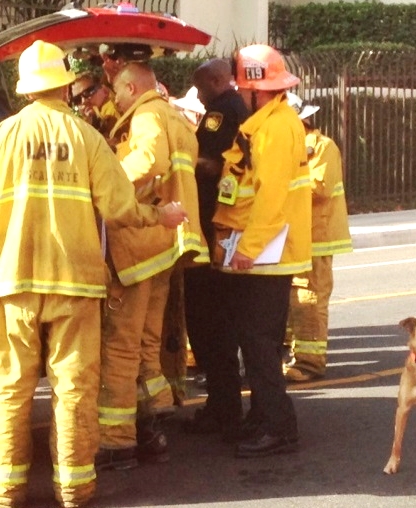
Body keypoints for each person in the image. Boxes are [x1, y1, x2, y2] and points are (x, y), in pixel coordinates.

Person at [0, 40, 186, 508]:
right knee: (74, 387)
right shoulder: (86, 137)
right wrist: (158, 217)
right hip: (75, 283)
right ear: (64, 86)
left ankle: (8, 488)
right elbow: (121, 207)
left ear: (25, 90)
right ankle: (74, 488)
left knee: (12, 386)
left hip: (15, 283)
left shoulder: (3, 137)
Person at [97, 62, 205, 469]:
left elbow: (149, 162)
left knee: (121, 346)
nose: (114, 98)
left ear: (130, 86)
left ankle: (117, 441)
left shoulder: (145, 114)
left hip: (137, 245)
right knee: (146, 341)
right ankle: (151, 426)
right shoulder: (175, 116)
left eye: (115, 89)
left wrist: (106, 187)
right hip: (161, 246)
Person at [212, 44, 312, 458]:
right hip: (264, 249)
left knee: (258, 342)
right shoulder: (269, 122)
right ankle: (264, 416)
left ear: (256, 89)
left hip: (269, 252)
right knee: (256, 341)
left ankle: (278, 426)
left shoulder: (274, 128)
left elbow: (270, 198)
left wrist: (247, 248)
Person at [180, 58, 249, 438]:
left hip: (213, 227)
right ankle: (222, 407)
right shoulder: (235, 109)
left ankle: (225, 411)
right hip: (218, 228)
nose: (201, 97)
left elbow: (208, 162)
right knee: (214, 326)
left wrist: (181, 167)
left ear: (218, 80)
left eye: (202, 88)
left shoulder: (223, 113)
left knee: (211, 323)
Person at [283, 92, 353, 382]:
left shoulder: (322, 148)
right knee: (292, 300)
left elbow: (317, 187)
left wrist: (277, 185)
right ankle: (294, 356)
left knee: (309, 298)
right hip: (293, 237)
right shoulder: (288, 147)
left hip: (316, 237)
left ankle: (310, 363)